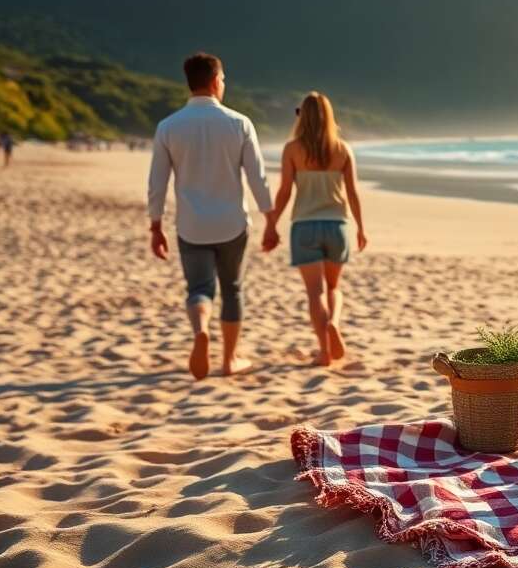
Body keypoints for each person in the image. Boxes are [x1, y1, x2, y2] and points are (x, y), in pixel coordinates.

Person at [147, 52, 273, 379]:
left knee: (199, 288)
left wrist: (155, 225)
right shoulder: (240, 123)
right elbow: (257, 176)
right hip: (232, 223)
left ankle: (201, 329)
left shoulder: (168, 127)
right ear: (216, 81)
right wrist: (270, 219)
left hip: (191, 225)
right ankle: (229, 360)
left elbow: (157, 182)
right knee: (232, 288)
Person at [262, 92, 367, 365]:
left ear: (302, 117)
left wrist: (271, 223)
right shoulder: (343, 149)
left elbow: (284, 192)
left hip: (305, 227)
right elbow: (353, 193)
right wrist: (360, 228)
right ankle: (334, 321)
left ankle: (324, 351)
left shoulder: (292, 149)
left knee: (315, 293)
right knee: (334, 287)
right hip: (337, 225)